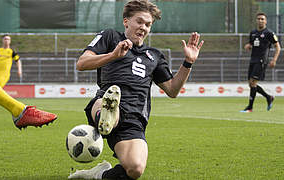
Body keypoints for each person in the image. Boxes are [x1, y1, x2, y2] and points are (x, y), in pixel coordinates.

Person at [68, 0, 204, 179]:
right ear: (126, 22)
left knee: (135, 169)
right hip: (103, 102)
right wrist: (113, 55)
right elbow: (82, 63)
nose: (143, 27)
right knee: (107, 105)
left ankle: (97, 174)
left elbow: (172, 90)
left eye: (148, 24)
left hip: (135, 119)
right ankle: (108, 116)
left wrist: (188, 63)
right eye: (139, 22)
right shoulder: (110, 37)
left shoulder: (154, 56)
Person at [0, 0, 57, 129]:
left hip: (5, 73)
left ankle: (18, 110)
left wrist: (19, 69)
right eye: (5, 39)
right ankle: (18, 110)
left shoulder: (12, 51)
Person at [241, 12, 281, 113]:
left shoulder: (269, 33)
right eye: (259, 19)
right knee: (251, 84)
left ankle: (250, 107)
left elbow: (278, 47)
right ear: (256, 20)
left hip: (261, 60)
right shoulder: (253, 32)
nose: (260, 20)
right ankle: (268, 97)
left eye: (262, 19)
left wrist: (274, 60)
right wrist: (248, 46)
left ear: (266, 21)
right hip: (253, 60)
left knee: (253, 83)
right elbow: (252, 44)